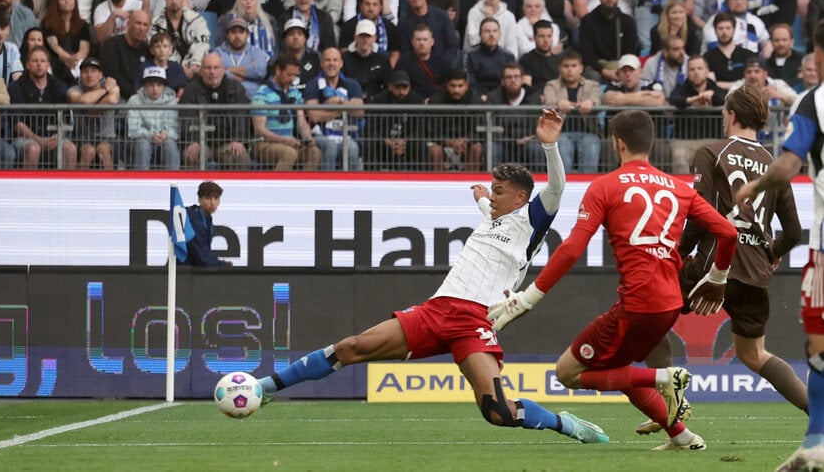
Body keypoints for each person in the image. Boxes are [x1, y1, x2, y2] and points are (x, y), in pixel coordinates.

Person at [257, 109, 611, 446]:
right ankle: (267, 387)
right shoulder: (492, 215)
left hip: (475, 320)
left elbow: (558, 188)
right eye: (492, 190)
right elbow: (488, 207)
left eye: (499, 191)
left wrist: (549, 145)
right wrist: (483, 198)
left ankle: (566, 424)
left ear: (521, 197)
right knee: (352, 347)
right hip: (436, 309)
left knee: (498, 412)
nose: (493, 196)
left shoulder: (531, 221)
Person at [488, 109, 738, 451]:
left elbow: (573, 248)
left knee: (566, 372)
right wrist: (718, 277)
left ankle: (664, 377)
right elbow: (727, 232)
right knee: (617, 369)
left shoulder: (605, 186)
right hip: (669, 305)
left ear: (617, 143)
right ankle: (682, 436)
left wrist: (528, 297)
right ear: (650, 143)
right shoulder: (679, 189)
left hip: (637, 303)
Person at [639, 85, 806, 433]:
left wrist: (677, 255)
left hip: (715, 263)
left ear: (731, 115)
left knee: (647, 318)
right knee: (755, 355)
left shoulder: (711, 152)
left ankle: (673, 405)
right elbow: (792, 232)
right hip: (756, 273)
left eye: (723, 114)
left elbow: (699, 215)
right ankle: (817, 411)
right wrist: (770, 254)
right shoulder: (776, 167)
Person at [734, 22, 824, 472]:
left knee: (819, 346)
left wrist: (754, 185)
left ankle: (816, 444)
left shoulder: (814, 101)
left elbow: (788, 165)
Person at [7, 46, 77, 170]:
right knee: (34, 148)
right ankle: (28, 189)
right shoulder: (15, 87)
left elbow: (66, 119)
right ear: (27, 65)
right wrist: (37, 139)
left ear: (48, 64)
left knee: (70, 149)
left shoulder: (59, 86)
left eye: (42, 61)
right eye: (35, 61)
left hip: (54, 137)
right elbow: (16, 123)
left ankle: (67, 188)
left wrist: (58, 136)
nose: (39, 64)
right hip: (25, 138)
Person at [180, 53, 252, 170]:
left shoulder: (236, 88)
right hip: (202, 144)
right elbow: (187, 118)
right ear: (201, 71)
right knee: (191, 155)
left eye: (216, 67)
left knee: (240, 156)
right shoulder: (191, 89)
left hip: (227, 144)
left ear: (223, 70)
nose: (212, 72)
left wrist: (238, 140)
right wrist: (193, 142)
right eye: (208, 68)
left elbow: (242, 116)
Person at [251, 53, 321, 171]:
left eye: (295, 75)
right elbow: (260, 130)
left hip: (289, 142)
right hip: (263, 145)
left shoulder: (295, 93)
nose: (293, 79)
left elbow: (301, 122)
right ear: (278, 70)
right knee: (289, 153)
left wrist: (308, 138)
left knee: (314, 153)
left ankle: (304, 187)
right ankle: (278, 188)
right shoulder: (262, 94)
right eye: (289, 75)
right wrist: (284, 140)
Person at [304, 48, 365, 171]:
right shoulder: (313, 84)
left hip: (346, 134)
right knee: (330, 147)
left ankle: (351, 186)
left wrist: (338, 102)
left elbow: (359, 112)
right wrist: (344, 108)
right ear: (321, 63)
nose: (331, 63)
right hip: (320, 134)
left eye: (335, 60)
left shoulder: (352, 84)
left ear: (341, 64)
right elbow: (314, 116)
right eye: (327, 60)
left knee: (353, 148)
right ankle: (327, 185)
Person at [543, 50, 602, 173]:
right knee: (562, 146)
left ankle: (588, 188)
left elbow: (597, 100)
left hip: (588, 133)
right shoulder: (551, 85)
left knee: (591, 146)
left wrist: (592, 103)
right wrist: (558, 104)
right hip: (560, 133)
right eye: (566, 66)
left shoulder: (592, 85)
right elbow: (549, 102)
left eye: (574, 66)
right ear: (560, 68)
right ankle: (564, 188)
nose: (570, 70)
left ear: (581, 68)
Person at [668, 54, 725, 173]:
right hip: (684, 142)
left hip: (713, 140)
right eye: (692, 69)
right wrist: (692, 100)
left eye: (699, 68)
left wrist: (712, 96)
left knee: (724, 157)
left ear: (707, 71)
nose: (696, 72)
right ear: (687, 72)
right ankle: (683, 191)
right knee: (678, 155)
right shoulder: (681, 88)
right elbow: (673, 99)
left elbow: (726, 100)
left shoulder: (714, 88)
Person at [578, 0, 640, 82]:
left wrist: (621, 69)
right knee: (593, 76)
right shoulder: (588, 21)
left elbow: (630, 51)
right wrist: (604, 71)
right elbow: (586, 54)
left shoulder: (627, 21)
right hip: (596, 67)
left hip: (621, 65)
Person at [363, 70, 425, 171]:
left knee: (421, 146)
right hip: (384, 143)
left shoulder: (417, 101)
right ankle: (372, 182)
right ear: (390, 87)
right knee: (370, 145)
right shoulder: (378, 101)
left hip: (408, 143)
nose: (401, 92)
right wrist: (386, 141)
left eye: (405, 88)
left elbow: (420, 130)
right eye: (398, 87)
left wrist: (405, 141)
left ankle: (421, 182)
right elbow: (370, 129)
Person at [425, 69, 485, 172]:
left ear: (466, 85)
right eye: (453, 86)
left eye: (460, 86)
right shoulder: (436, 100)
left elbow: (479, 128)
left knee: (477, 149)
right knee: (435, 151)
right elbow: (432, 130)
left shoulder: (475, 100)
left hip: (467, 143)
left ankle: (471, 183)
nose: (456, 90)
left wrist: (466, 140)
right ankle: (438, 184)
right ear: (447, 85)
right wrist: (448, 142)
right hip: (442, 142)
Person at [151, 0, 210, 80]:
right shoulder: (155, 24)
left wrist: (193, 68)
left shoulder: (197, 21)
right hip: (166, 72)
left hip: (195, 72)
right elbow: (156, 51)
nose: (174, 1)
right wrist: (177, 69)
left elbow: (202, 46)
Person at [67, 56, 119, 171]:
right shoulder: (75, 90)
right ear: (80, 75)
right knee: (88, 151)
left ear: (100, 75)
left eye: (94, 71)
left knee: (103, 150)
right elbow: (84, 101)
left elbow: (113, 99)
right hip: (82, 138)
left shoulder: (112, 84)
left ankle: (109, 185)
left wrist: (92, 112)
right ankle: (79, 185)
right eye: (85, 72)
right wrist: (104, 90)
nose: (89, 75)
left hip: (108, 138)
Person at [127, 65, 180, 171]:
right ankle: (141, 182)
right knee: (143, 145)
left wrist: (166, 134)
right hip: (141, 141)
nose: (155, 89)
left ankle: (174, 182)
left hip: (164, 140)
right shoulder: (134, 101)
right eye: (151, 85)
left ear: (164, 86)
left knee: (170, 145)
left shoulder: (171, 102)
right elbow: (133, 130)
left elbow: (173, 128)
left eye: (159, 85)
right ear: (144, 85)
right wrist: (151, 135)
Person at [212, 16, 269, 98]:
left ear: (247, 35)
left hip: (252, 98)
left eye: (241, 32)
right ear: (227, 35)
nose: (237, 36)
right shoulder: (218, 52)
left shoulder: (256, 52)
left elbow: (260, 71)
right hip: (225, 98)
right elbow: (215, 73)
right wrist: (248, 72)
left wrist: (229, 70)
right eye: (234, 32)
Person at [99, 10, 151, 100]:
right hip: (119, 95)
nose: (141, 28)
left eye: (145, 25)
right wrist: (134, 93)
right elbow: (113, 74)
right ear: (128, 24)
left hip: (142, 95)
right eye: (138, 23)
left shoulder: (147, 49)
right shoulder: (112, 44)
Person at [396, 24, 452, 101]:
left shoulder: (442, 61)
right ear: (412, 42)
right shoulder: (403, 62)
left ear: (432, 42)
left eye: (425, 39)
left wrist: (434, 100)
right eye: (418, 39)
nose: (421, 43)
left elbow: (448, 85)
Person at [183, 181, 233, 266]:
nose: (213, 203)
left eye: (216, 198)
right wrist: (223, 265)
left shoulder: (204, 218)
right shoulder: (194, 220)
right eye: (208, 198)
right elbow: (203, 259)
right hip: (183, 274)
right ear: (200, 199)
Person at [464, 18, 517, 96]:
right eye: (487, 31)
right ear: (480, 35)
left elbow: (511, 81)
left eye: (495, 31)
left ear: (500, 34)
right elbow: (468, 82)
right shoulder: (469, 55)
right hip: (476, 99)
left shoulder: (508, 56)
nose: (491, 35)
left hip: (502, 98)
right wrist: (480, 96)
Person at [139, 32, 188, 100]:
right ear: (152, 50)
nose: (161, 50)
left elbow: (182, 88)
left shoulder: (177, 68)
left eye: (165, 46)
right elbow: (138, 89)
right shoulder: (145, 67)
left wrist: (176, 100)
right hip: (148, 104)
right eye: (157, 46)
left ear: (171, 49)